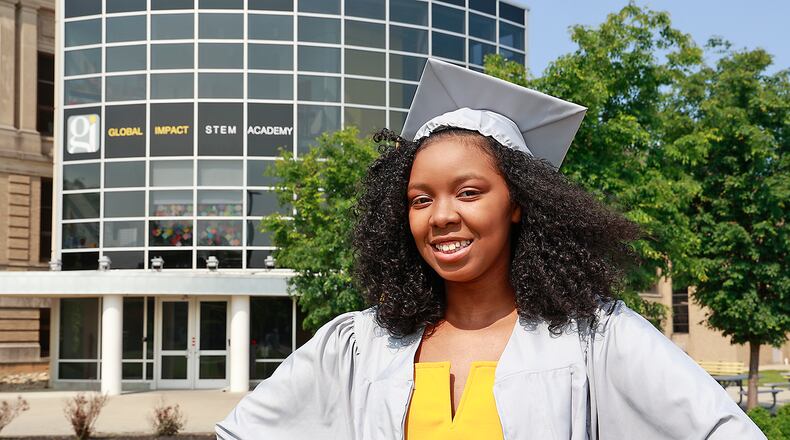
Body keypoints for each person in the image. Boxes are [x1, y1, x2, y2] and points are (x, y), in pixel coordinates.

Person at [216, 59, 764, 439]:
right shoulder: (361, 344)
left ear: (517, 203)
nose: (441, 216)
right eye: (420, 199)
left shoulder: (594, 339)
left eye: (469, 192)